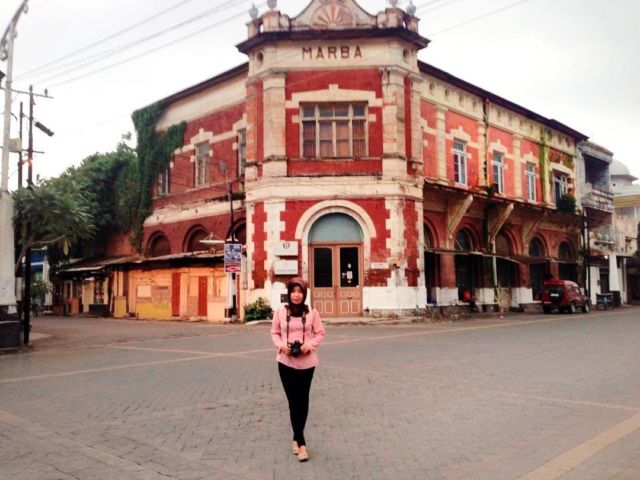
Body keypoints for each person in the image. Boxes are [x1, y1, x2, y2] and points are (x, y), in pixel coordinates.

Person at [270, 277, 325, 462]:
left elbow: (320, 333)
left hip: (307, 363)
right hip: (285, 363)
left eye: (300, 291)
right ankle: (301, 442)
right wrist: (280, 346)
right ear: (289, 293)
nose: (296, 295)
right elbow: (274, 332)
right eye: (293, 291)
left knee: (303, 401)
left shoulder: (312, 313)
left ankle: (296, 437)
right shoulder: (280, 311)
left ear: (304, 294)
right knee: (293, 401)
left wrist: (309, 345)